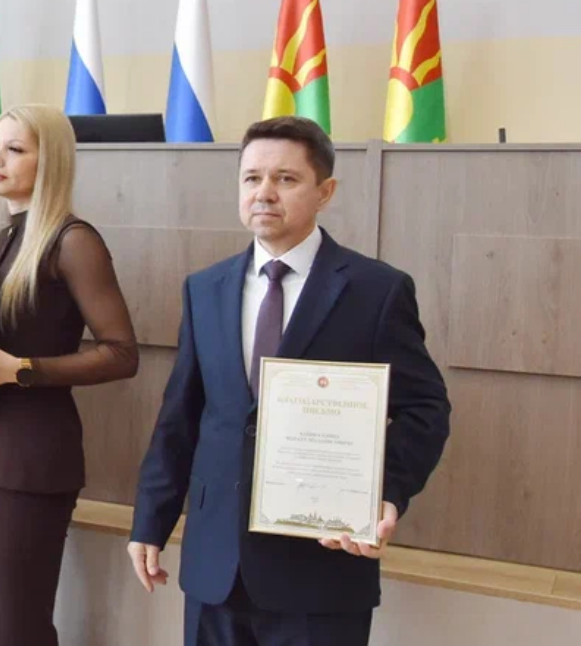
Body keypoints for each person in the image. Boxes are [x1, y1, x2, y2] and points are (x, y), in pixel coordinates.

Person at [128, 116, 451, 646]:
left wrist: (386, 494)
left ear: (325, 191)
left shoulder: (376, 291)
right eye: (251, 178)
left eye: (285, 178)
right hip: (216, 564)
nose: (264, 193)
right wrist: (150, 520)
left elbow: (425, 409)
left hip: (320, 571)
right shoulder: (205, 288)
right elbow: (180, 416)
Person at [0, 105, 139, 646]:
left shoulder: (73, 240)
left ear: (52, 160)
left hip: (33, 455)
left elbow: (121, 354)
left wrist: (21, 370)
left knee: (19, 627)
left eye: (15, 149)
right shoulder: (0, 238)